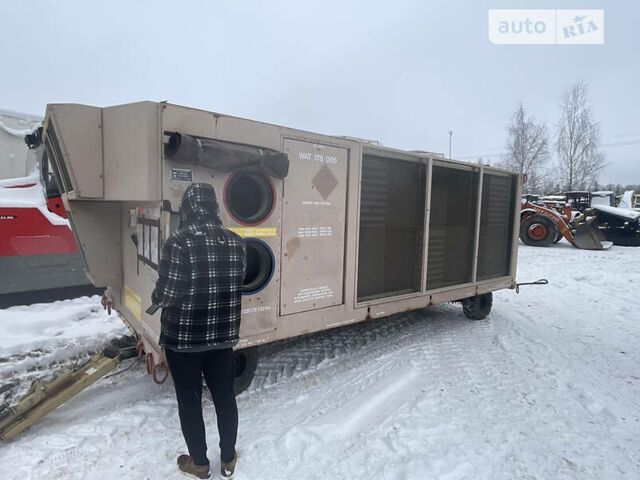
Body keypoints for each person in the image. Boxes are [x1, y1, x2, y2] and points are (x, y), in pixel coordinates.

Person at [152, 182, 246, 480]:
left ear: (188, 209)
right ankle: (229, 460)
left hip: (184, 343)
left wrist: (155, 300)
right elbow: (236, 285)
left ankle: (201, 465)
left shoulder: (178, 242)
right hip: (222, 338)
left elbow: (167, 294)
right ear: (214, 208)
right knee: (225, 397)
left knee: (190, 402)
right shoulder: (236, 241)